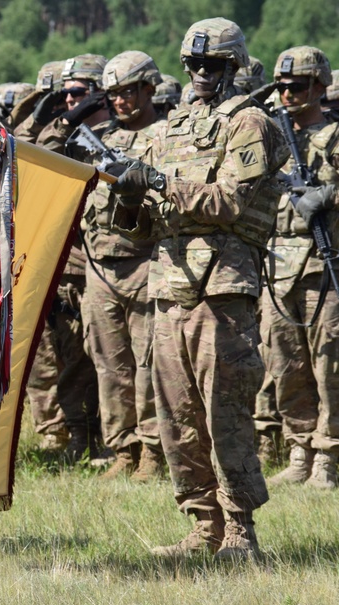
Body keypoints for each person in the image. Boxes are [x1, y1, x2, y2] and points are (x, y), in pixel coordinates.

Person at [110, 17, 287, 558]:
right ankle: (202, 524)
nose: (202, 74)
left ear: (234, 66)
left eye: (213, 65)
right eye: (193, 65)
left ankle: (239, 530)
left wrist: (161, 182)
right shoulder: (170, 127)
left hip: (223, 287)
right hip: (169, 287)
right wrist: (130, 198)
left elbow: (230, 201)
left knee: (224, 410)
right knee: (176, 415)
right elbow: (139, 229)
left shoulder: (250, 123)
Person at [265, 46, 339, 489]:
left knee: (331, 364)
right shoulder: (271, 137)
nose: (287, 95)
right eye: (281, 87)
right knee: (285, 364)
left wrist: (332, 197)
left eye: (295, 87)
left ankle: (328, 458)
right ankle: (298, 451)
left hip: (326, 266)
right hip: (277, 268)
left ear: (319, 86)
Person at [19, 54, 111, 464]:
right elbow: (22, 156)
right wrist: (47, 117)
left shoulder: (115, 135)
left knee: (109, 360)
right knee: (71, 358)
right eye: (65, 95)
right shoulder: (65, 137)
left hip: (106, 266)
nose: (69, 101)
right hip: (67, 266)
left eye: (78, 94)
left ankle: (117, 441)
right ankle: (79, 436)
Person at [81, 51, 166, 481]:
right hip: (100, 268)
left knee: (149, 363)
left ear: (149, 88)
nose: (120, 101)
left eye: (129, 91)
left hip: (146, 262)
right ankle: (123, 448)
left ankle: (153, 450)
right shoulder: (96, 138)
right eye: (112, 94)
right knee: (108, 363)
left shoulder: (166, 136)